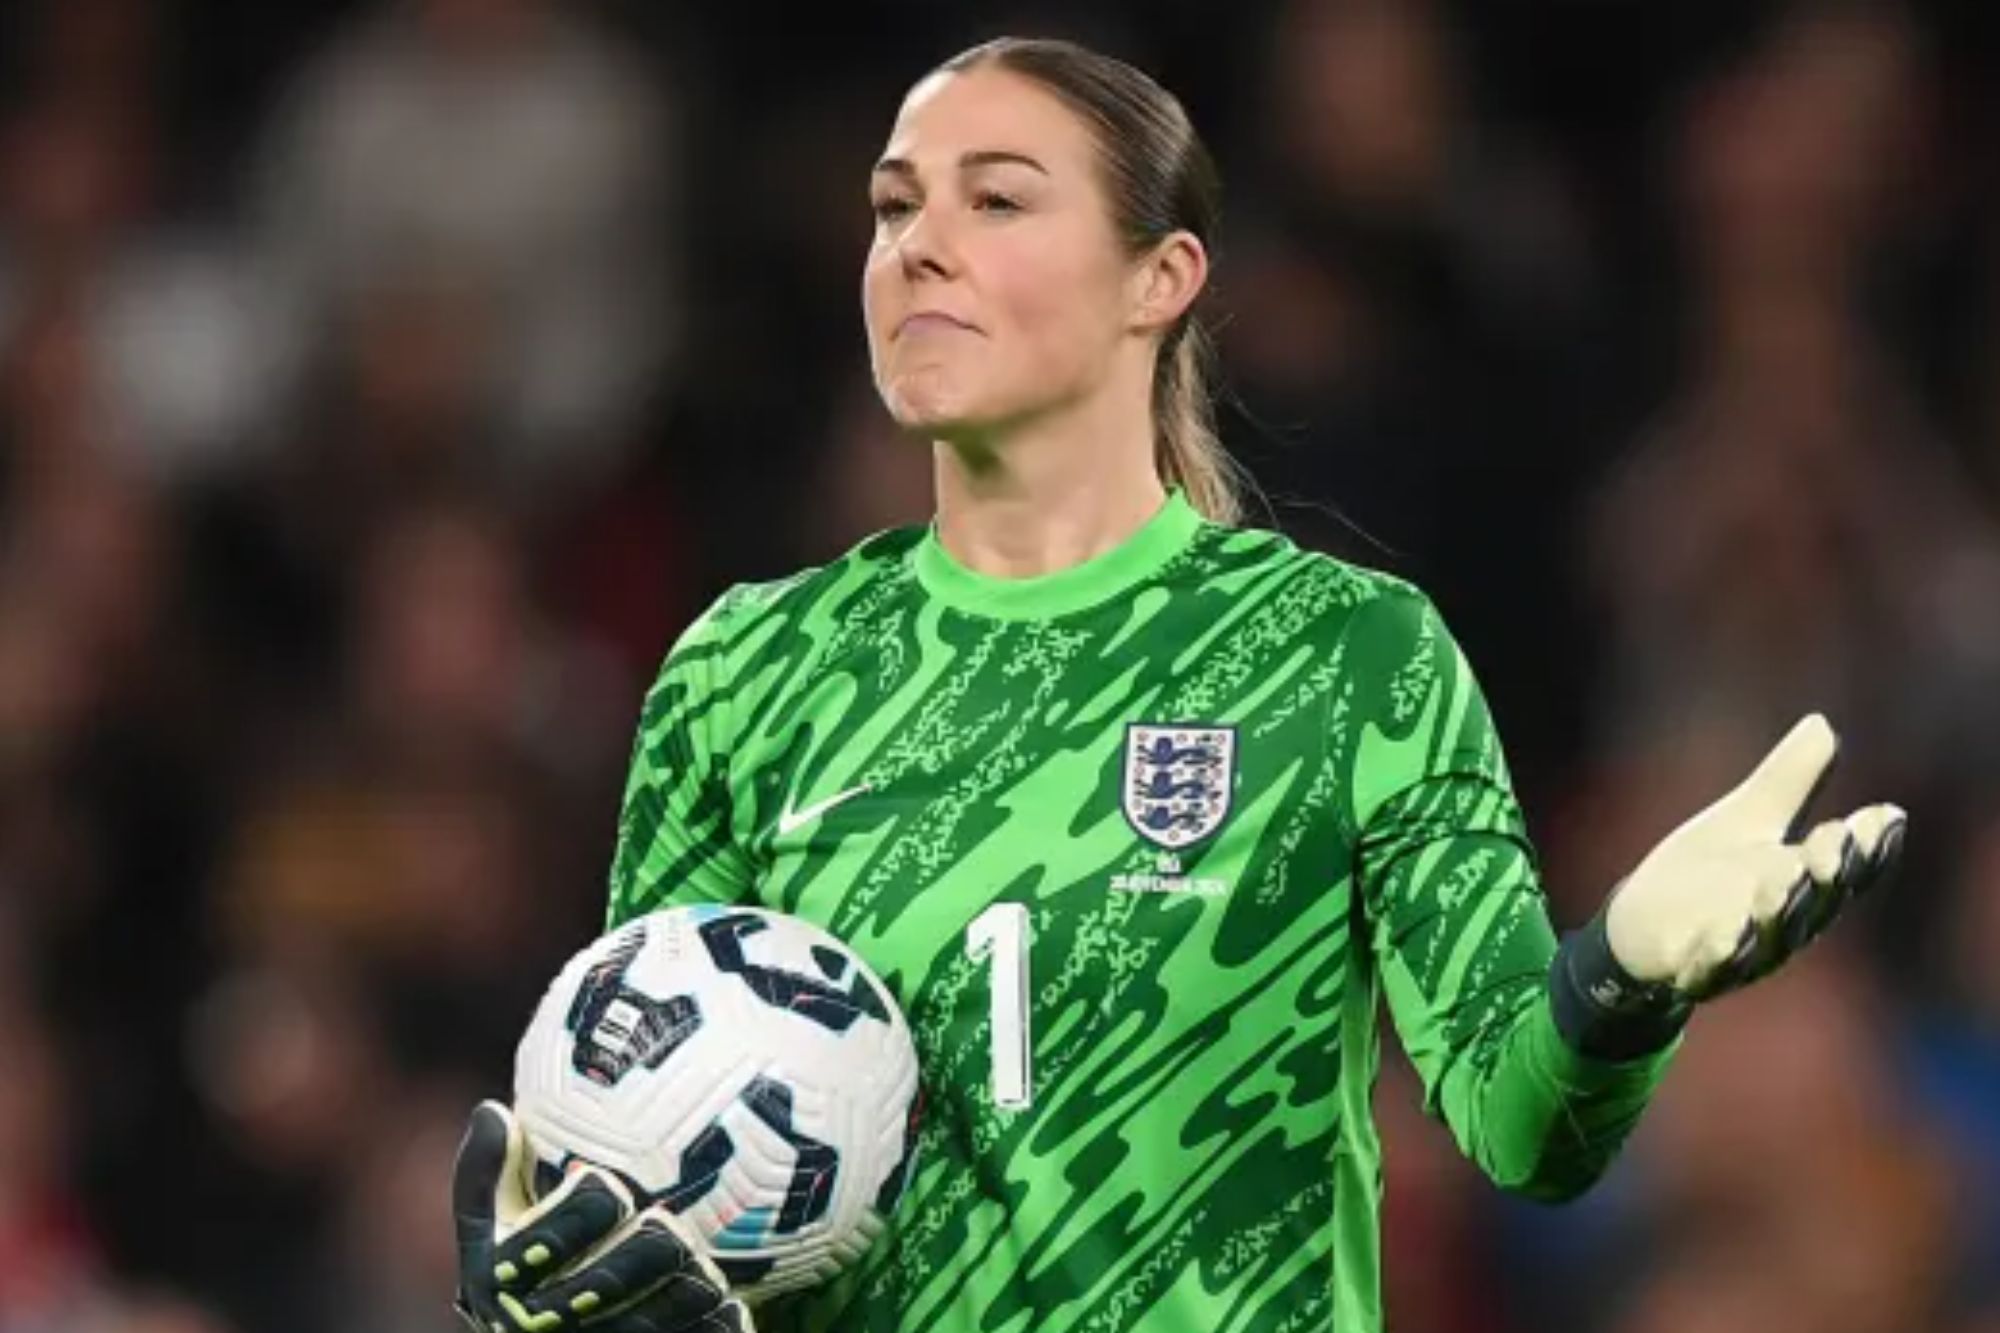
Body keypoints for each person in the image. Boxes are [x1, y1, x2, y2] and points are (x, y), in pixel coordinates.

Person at [448, 36, 1908, 1333]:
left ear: (1162, 277)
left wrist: (1620, 979)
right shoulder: (747, 669)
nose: (917, 249)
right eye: (896, 208)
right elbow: (645, 1154)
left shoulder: (1346, 654)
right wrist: (567, 1285)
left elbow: (1525, 1126)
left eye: (997, 200)